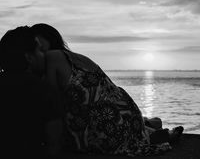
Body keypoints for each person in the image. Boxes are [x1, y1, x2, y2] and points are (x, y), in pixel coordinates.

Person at [31, 23, 184, 157]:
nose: (35, 46)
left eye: (37, 41)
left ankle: (155, 130)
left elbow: (51, 102)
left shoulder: (53, 57)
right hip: (127, 116)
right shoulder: (76, 57)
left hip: (110, 128)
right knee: (140, 128)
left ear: (48, 38)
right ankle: (156, 131)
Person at [0, 26, 64, 159]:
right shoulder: (44, 90)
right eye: (40, 50)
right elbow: (54, 143)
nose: (45, 55)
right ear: (28, 57)